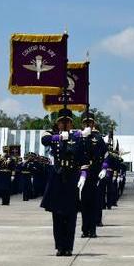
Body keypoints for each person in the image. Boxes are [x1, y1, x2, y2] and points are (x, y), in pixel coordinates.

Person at [41, 109, 86, 256]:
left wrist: (83, 174)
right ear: (57, 123)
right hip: (57, 177)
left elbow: (83, 159)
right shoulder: (53, 136)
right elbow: (44, 140)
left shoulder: (77, 138)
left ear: (71, 123)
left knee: (71, 214)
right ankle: (60, 246)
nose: (64, 124)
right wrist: (60, 136)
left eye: (67, 122)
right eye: (61, 122)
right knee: (58, 215)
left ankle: (69, 247)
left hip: (72, 177)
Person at [79, 112, 108, 238]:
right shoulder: (78, 137)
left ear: (93, 123)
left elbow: (106, 155)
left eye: (90, 122)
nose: (88, 124)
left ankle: (92, 229)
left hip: (95, 173)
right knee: (83, 203)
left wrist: (104, 168)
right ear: (82, 124)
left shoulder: (98, 138)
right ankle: (85, 229)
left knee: (93, 202)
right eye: (85, 122)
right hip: (81, 175)